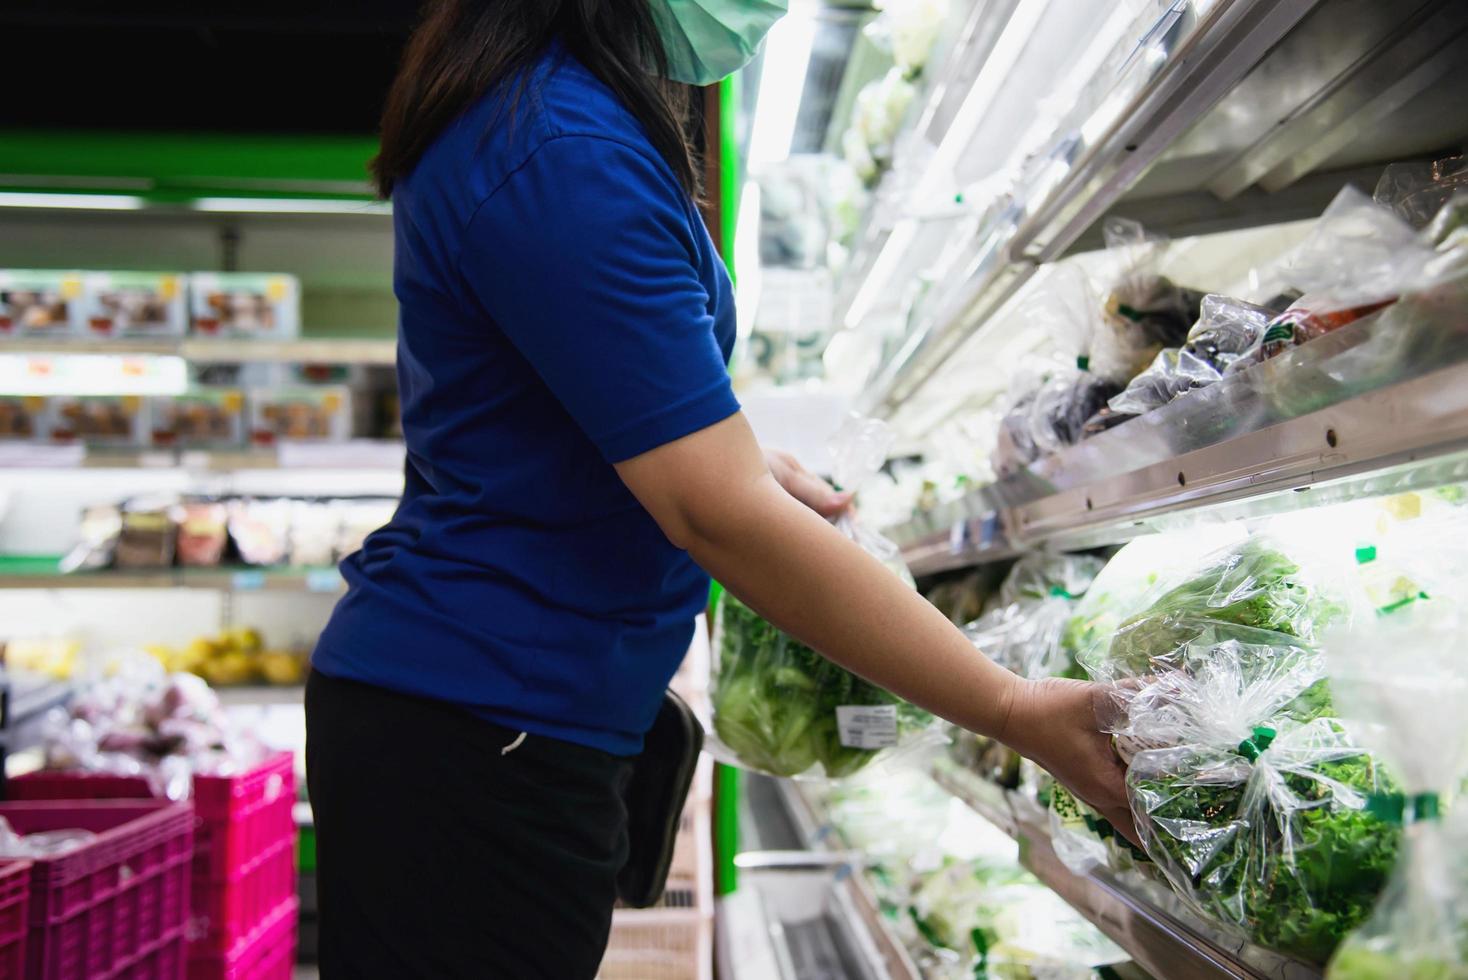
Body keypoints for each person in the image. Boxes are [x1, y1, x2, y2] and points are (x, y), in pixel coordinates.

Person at [305, 1, 1135, 977]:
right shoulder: (563, 151)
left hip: (491, 708)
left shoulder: (549, 118)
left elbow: (580, 418)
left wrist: (736, 456)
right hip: (481, 721)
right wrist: (1012, 704)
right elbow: (715, 514)